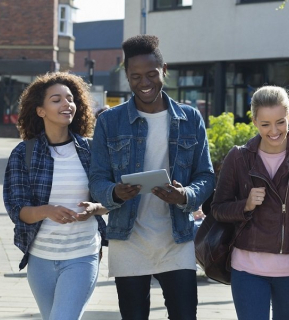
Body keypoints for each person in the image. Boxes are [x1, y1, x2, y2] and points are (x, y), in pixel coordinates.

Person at [88, 34, 215, 320]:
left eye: (151, 74)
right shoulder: (110, 121)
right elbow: (97, 180)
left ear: (164, 70)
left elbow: (206, 175)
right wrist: (115, 193)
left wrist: (186, 195)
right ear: (127, 77)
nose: (144, 83)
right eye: (135, 77)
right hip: (129, 239)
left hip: (176, 238)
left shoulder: (190, 118)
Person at [211, 86, 289, 320]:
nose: (274, 131)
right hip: (247, 269)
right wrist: (245, 205)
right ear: (254, 121)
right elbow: (217, 209)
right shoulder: (238, 157)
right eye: (265, 124)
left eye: (280, 122)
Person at [3, 72, 108, 320]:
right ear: (40, 110)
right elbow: (17, 210)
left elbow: (110, 200)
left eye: (70, 98)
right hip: (41, 259)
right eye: (56, 99)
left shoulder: (91, 151)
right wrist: (47, 211)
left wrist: (95, 209)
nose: (66, 104)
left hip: (82, 254)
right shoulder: (24, 153)